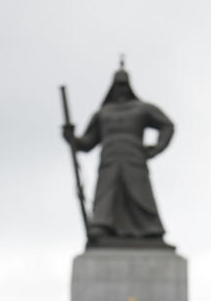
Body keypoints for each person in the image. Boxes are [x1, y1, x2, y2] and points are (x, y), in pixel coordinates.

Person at [63, 65, 174, 244]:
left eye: (123, 85)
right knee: (107, 192)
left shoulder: (142, 108)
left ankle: (149, 228)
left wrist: (157, 147)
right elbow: (87, 142)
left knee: (139, 192)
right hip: (109, 158)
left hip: (134, 156)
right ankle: (102, 225)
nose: (121, 89)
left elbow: (167, 125)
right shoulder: (103, 113)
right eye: (118, 85)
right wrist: (71, 138)